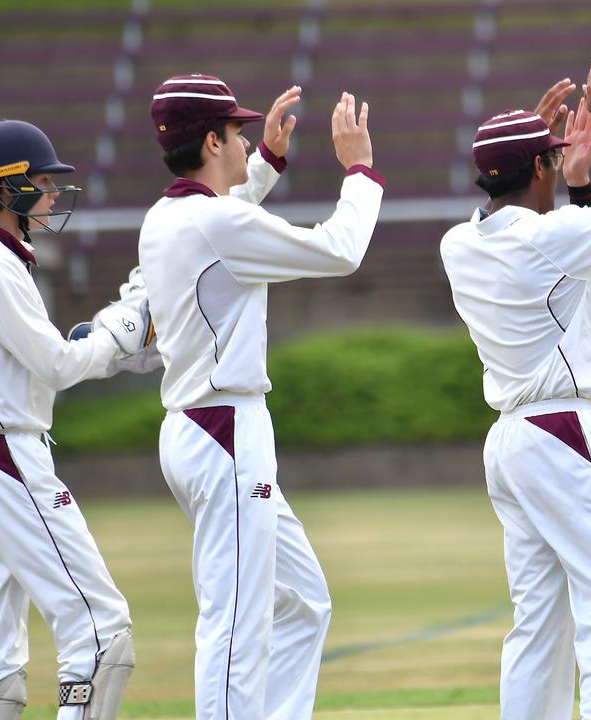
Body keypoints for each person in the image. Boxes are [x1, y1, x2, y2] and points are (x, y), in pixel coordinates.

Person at [439, 55, 591, 720]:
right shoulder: (548, 239)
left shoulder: (458, 243)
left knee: (540, 622)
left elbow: (577, 254)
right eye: (547, 159)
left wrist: (552, 165)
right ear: (539, 167)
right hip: (560, 432)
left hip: (510, 444)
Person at [137, 74, 382, 719]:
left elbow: (229, 217)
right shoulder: (216, 222)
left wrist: (268, 161)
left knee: (303, 601)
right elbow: (340, 250)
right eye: (239, 132)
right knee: (238, 617)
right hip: (224, 430)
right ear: (213, 140)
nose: (245, 140)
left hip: (202, 427)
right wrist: (359, 172)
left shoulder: (167, 216)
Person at [0, 119, 149, 720]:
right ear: (3, 188)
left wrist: (105, 349)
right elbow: (56, 365)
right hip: (4, 453)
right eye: (42, 182)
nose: (53, 194)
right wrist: (119, 334)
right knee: (102, 631)